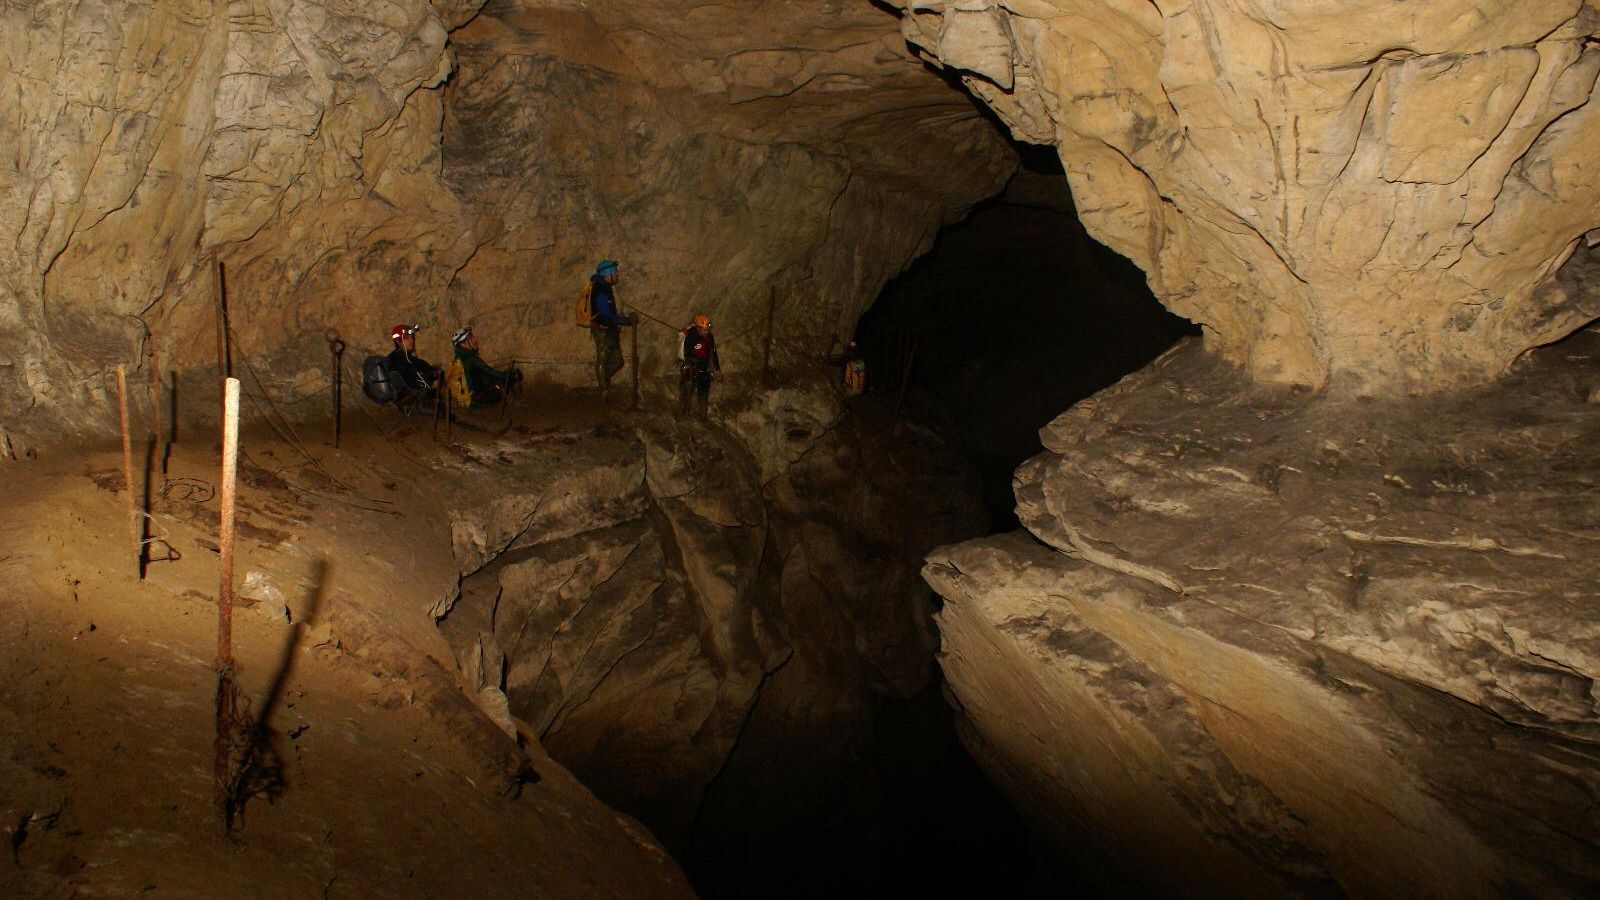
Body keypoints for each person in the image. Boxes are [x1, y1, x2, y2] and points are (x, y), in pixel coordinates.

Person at [589, 259, 633, 400]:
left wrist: (619, 318)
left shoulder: (605, 287)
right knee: (603, 357)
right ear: (608, 274)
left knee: (617, 360)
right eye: (615, 272)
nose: (617, 275)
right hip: (602, 328)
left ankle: (603, 381)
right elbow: (605, 312)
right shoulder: (600, 289)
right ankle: (603, 388)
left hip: (609, 328)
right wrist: (623, 320)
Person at [450, 325, 521, 408]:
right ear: (463, 344)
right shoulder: (471, 358)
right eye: (471, 338)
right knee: (509, 379)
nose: (475, 340)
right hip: (478, 399)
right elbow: (492, 372)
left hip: (469, 398)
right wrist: (510, 374)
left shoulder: (459, 358)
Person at [385, 323, 438, 412]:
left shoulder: (402, 356)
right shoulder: (399, 359)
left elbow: (422, 365)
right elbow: (410, 381)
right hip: (411, 395)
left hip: (411, 392)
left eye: (411, 338)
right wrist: (431, 384)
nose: (411, 341)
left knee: (435, 371)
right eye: (407, 339)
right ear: (398, 342)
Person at [678, 314, 721, 420]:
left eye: (707, 329)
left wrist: (717, 369)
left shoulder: (710, 337)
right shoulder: (691, 335)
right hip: (691, 365)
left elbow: (714, 353)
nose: (707, 332)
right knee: (687, 389)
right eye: (704, 330)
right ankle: (684, 413)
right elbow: (687, 352)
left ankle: (703, 416)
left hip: (703, 366)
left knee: (703, 391)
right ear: (698, 328)